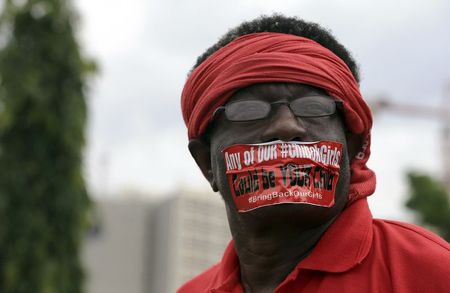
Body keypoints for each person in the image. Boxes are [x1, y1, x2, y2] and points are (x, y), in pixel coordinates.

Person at [178, 14, 450, 293]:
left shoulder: (431, 272)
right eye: (248, 111)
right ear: (206, 162)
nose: (285, 126)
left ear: (353, 146)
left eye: (314, 107)